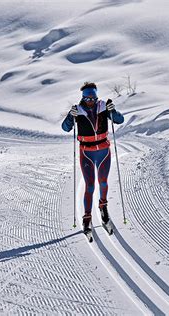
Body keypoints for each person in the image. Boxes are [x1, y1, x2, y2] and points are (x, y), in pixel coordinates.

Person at [61, 82, 124, 235]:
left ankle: (103, 207)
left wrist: (113, 111)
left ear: (96, 97)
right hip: (86, 153)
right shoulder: (78, 110)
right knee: (90, 186)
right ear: (83, 97)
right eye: (87, 98)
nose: (90, 101)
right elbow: (65, 128)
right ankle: (87, 217)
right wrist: (70, 116)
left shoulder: (104, 106)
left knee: (103, 182)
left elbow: (119, 120)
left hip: (103, 151)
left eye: (93, 98)